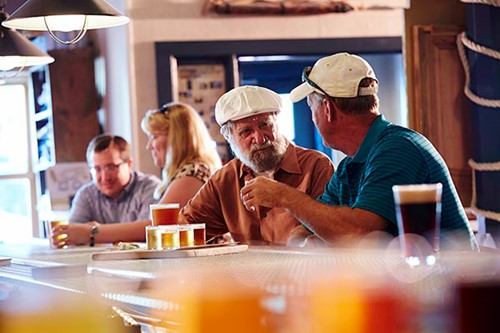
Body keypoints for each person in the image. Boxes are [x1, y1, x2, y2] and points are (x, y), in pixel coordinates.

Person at [240, 52, 478, 250]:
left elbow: (358, 233)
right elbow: (306, 230)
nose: (312, 118)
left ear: (328, 109)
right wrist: (320, 237)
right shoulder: (349, 166)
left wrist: (284, 196)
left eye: (311, 107)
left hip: (451, 294)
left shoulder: (398, 148)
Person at [179, 85, 335, 245]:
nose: (260, 139)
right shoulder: (225, 179)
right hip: (246, 270)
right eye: (246, 131)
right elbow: (184, 228)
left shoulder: (316, 166)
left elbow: (334, 232)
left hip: (305, 269)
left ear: (277, 123)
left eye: (265, 125)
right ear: (229, 137)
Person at [52, 103, 222, 246]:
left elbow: (155, 228)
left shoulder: (191, 175)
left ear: (177, 139)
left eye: (154, 137)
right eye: (97, 169)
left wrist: (92, 232)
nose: (149, 146)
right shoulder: (192, 171)